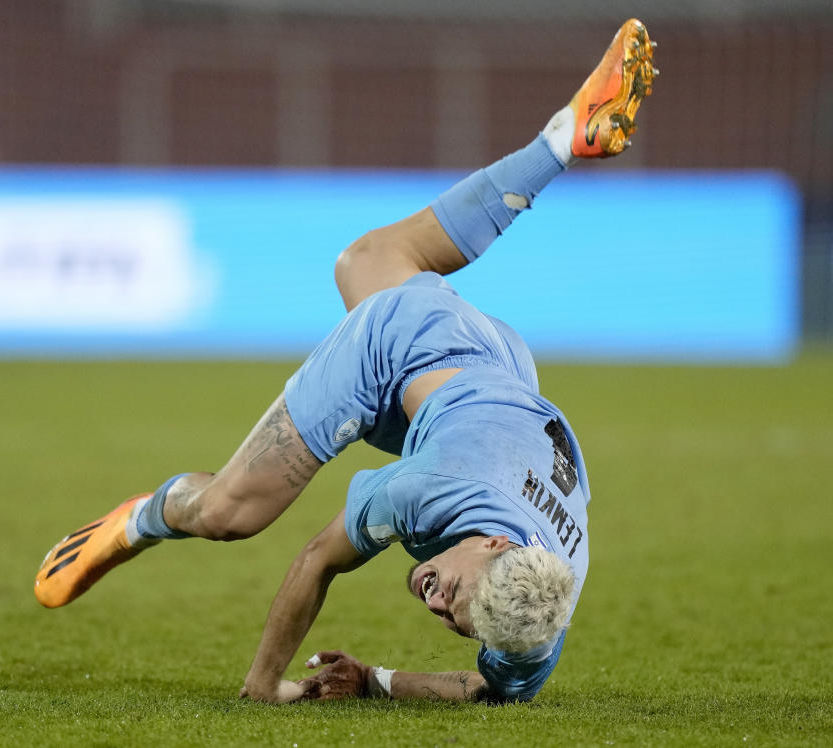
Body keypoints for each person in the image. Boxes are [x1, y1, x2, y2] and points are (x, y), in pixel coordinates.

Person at [34, 18, 656, 704]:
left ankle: (557, 144)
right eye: (459, 592)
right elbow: (317, 560)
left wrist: (375, 681)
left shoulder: (532, 623)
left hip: (501, 375)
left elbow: (493, 689)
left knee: (366, 262)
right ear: (496, 547)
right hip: (404, 351)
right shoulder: (423, 493)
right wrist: (264, 682)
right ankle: (140, 518)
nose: (441, 606)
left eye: (459, 624)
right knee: (230, 515)